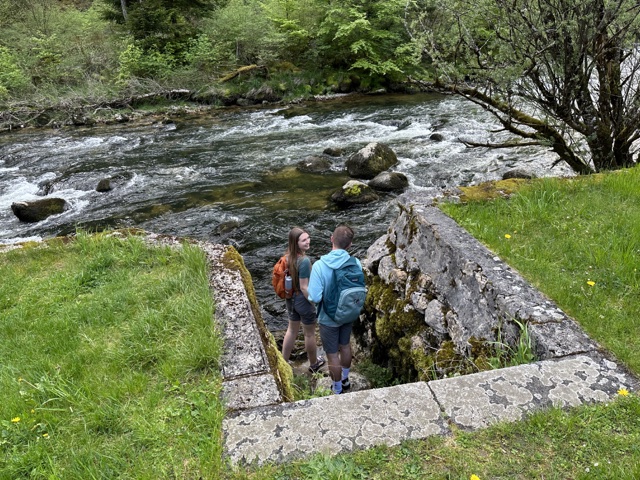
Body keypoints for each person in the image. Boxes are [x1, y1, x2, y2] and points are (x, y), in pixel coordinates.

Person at [308, 224, 361, 394]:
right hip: (348, 313)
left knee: (332, 354)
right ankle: (345, 380)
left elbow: (315, 297)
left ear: (331, 238)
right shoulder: (356, 263)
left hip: (328, 318)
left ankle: (337, 388)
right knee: (345, 346)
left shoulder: (319, 266)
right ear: (350, 244)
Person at [281, 227, 325, 373]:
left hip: (290, 299)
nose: (308, 241)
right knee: (309, 334)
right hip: (302, 300)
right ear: (296, 243)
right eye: (303, 240)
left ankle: (283, 362)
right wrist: (315, 302)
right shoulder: (304, 261)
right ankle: (314, 364)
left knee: (291, 330)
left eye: (308, 238)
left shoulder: (287, 257)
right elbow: (304, 287)